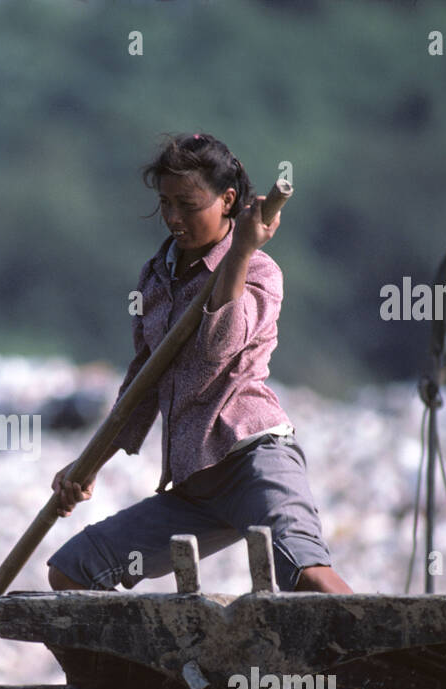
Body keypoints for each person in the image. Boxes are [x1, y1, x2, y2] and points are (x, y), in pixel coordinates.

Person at [46, 132, 352, 595]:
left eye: (187, 205)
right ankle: (153, 671)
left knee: (305, 573)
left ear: (227, 200)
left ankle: (399, 664)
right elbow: (143, 383)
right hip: (194, 486)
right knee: (73, 570)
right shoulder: (154, 279)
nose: (173, 218)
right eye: (165, 204)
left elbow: (217, 345)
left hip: (253, 461)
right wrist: (89, 464)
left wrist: (242, 252)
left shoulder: (260, 272)